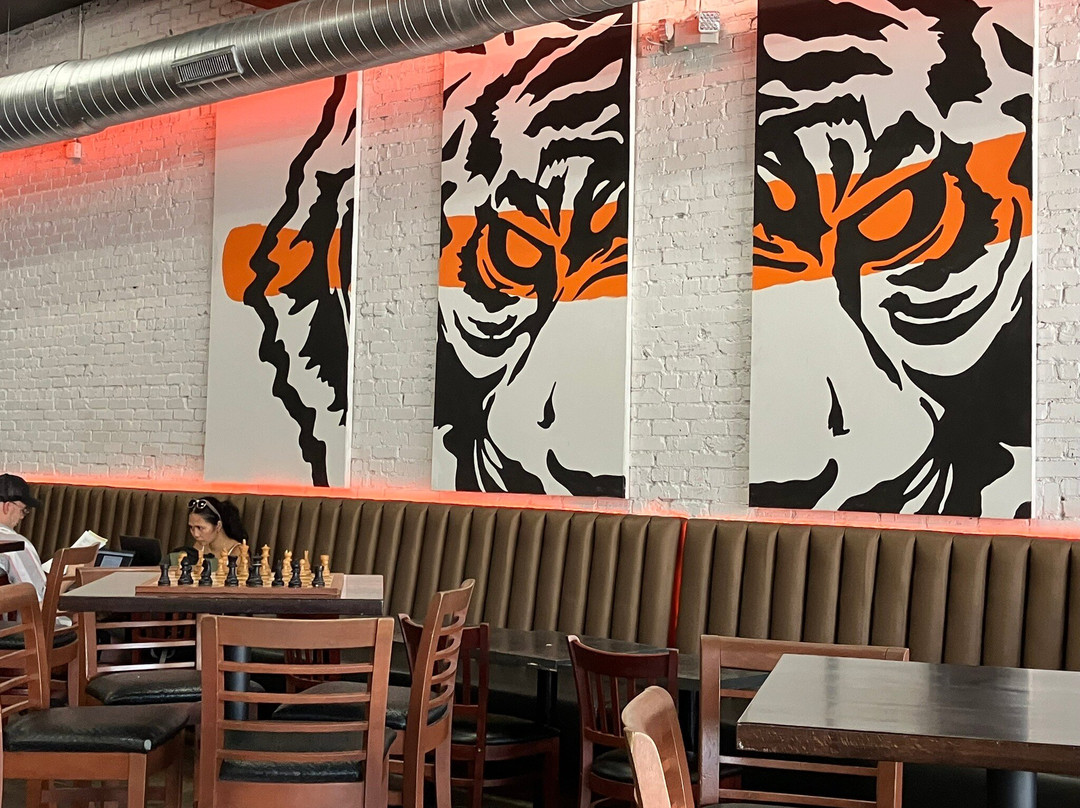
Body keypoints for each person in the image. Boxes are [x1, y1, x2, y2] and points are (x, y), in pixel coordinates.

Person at [0, 473, 47, 600]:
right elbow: (37, 601)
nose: (21, 517)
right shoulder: (16, 545)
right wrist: (69, 576)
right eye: (23, 510)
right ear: (7, 507)